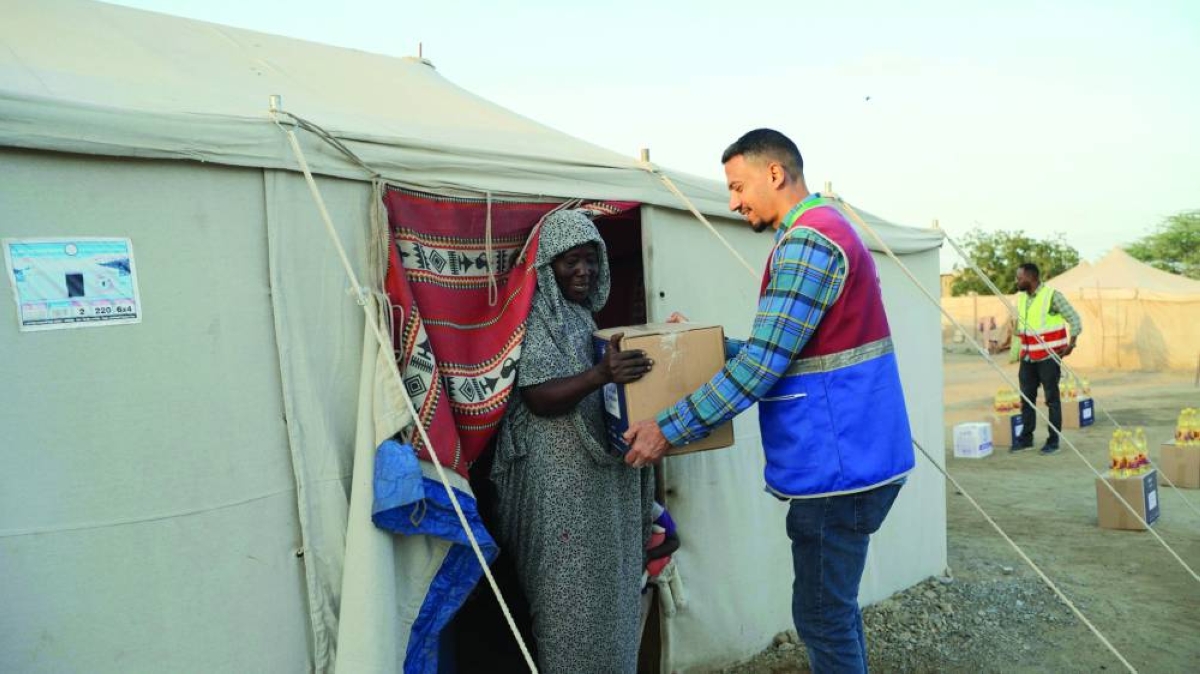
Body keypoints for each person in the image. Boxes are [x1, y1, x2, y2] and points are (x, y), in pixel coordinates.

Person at [623, 129, 914, 674]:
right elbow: (789, 349)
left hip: (839, 466)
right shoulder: (822, 230)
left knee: (822, 615)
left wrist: (666, 428)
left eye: (737, 186)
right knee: (834, 609)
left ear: (774, 174)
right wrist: (706, 346)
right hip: (851, 459)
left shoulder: (809, 241)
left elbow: (761, 368)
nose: (733, 201)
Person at [490, 209, 655, 674]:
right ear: (546, 266)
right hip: (558, 493)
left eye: (591, 260)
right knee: (566, 602)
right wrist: (601, 374)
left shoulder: (584, 320)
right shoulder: (537, 317)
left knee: (607, 595)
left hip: (593, 495)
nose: (583, 271)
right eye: (570, 262)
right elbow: (539, 396)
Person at [1010, 262, 1083, 454]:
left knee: (1052, 400)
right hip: (1027, 357)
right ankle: (1026, 439)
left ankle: (1053, 441)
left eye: (1020, 277)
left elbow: (1075, 319)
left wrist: (1071, 344)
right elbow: (1022, 326)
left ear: (1031, 277)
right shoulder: (1022, 298)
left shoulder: (1052, 296)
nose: (1017, 281)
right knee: (1026, 399)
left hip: (1048, 357)